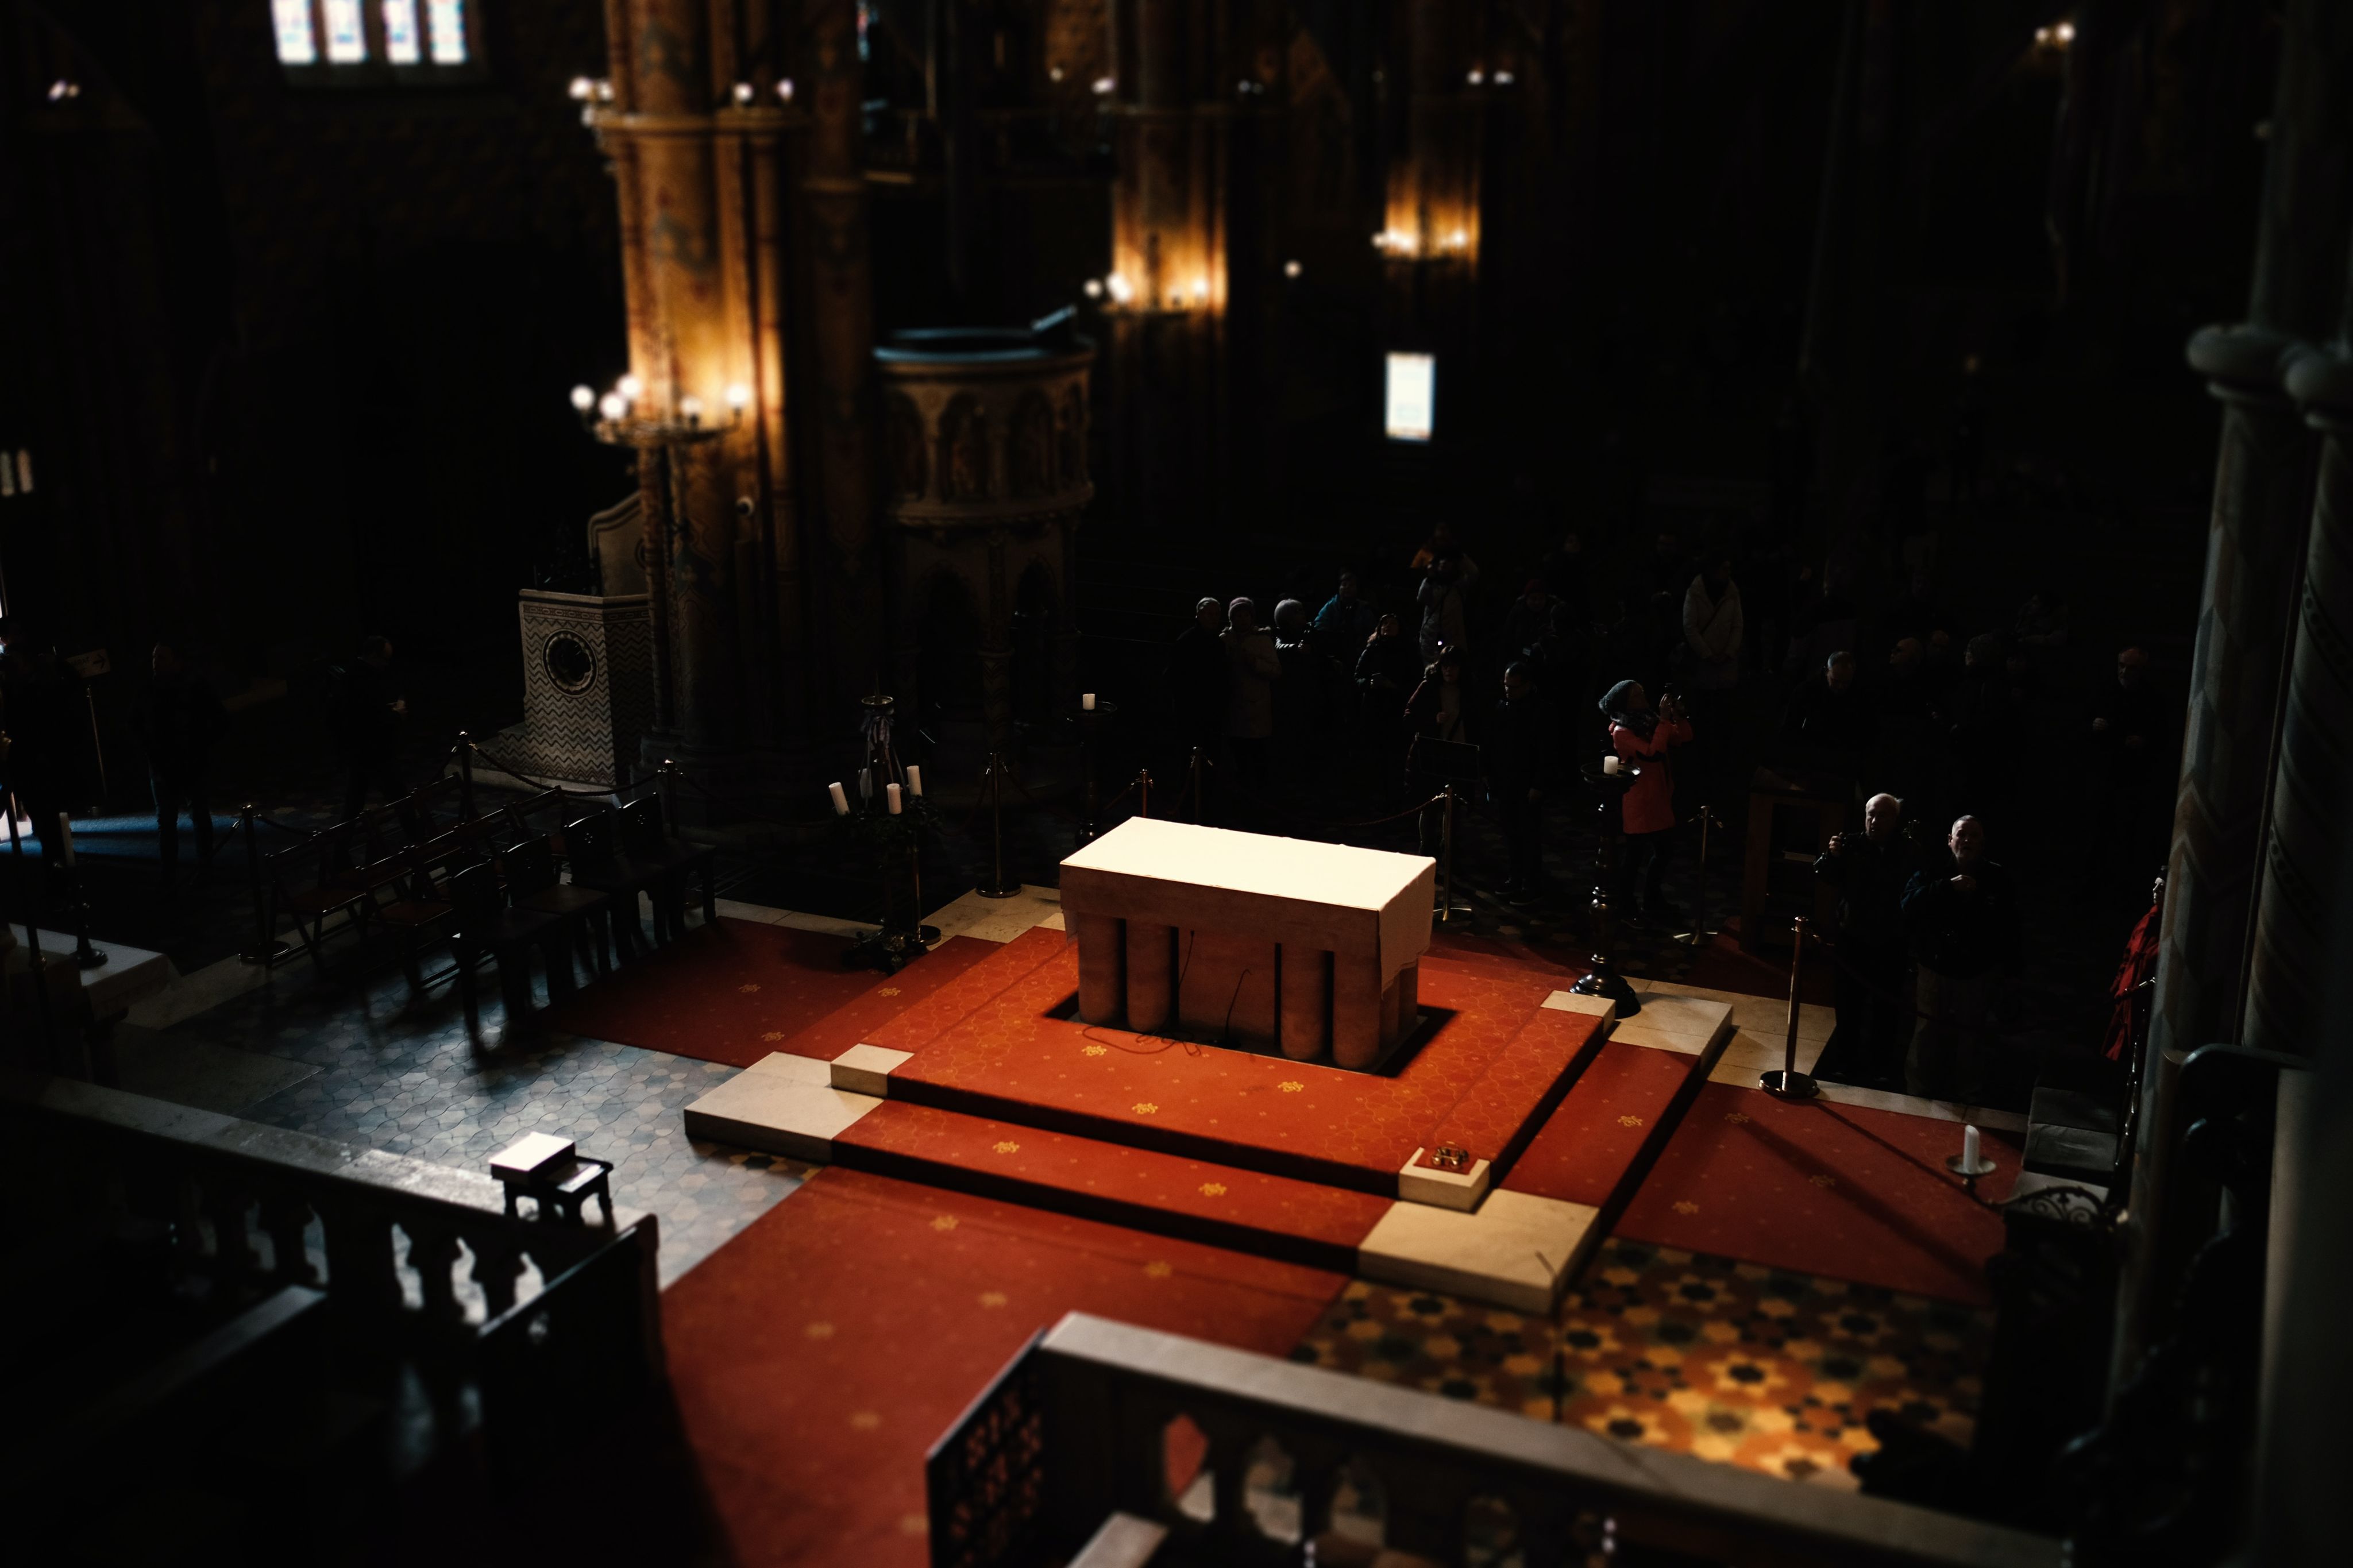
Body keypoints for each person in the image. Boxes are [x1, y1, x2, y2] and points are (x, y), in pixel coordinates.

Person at [1901, 815, 2022, 1102]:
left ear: (1982, 843)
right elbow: (1908, 904)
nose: (1966, 840)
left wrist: (2010, 972)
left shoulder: (1997, 877)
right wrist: (1946, 887)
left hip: (1976, 972)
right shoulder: (1933, 871)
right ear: (1950, 840)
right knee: (1926, 1032)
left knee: (1972, 1036)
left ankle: (1969, 1092)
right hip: (1935, 966)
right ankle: (1918, 1091)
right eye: (1961, 834)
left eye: (1973, 836)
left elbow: (2011, 927)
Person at [1814, 793, 1918, 1088]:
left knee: (1887, 1009)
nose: (1874, 821)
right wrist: (1831, 856)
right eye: (1870, 815)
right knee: (1848, 1006)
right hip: (1853, 939)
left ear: (1895, 820)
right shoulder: (1851, 845)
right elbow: (1824, 874)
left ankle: (1881, 1067)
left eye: (1882, 816)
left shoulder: (1908, 850)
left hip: (1891, 941)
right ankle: (1845, 1064)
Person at [1601, 679, 1693, 924]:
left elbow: (1682, 738)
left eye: (1642, 692)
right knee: (1634, 856)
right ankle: (1627, 906)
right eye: (1636, 695)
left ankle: (1653, 899)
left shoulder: (1649, 721)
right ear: (1625, 703)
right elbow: (1653, 754)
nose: (1643, 697)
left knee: (1664, 851)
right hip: (1639, 800)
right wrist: (1664, 720)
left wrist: (1678, 716)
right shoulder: (1622, 732)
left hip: (1660, 796)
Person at [133, 642, 226, 886]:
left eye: (162, 657)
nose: (155, 662)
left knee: (195, 816)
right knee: (168, 822)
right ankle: (171, 873)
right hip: (163, 767)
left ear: (178, 661)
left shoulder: (195, 687)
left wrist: (198, 749)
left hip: (188, 765)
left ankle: (202, 868)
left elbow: (218, 721)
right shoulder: (149, 689)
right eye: (154, 657)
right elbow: (136, 724)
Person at [2086, 646, 2171, 901]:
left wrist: (2144, 743)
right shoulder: (2104, 690)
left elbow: (2162, 736)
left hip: (2132, 777)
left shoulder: (2151, 699)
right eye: (2122, 665)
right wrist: (2093, 726)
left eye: (2131, 667)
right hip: (2103, 772)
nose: (2124, 671)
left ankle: (2119, 889)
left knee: (2125, 833)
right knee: (2097, 831)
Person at [1488, 661, 1552, 904]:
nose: (1508, 691)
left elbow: (1546, 753)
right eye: (1506, 686)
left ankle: (1532, 883)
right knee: (1511, 834)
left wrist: (1539, 784)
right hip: (1506, 782)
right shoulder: (1502, 707)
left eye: (1513, 687)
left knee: (1529, 836)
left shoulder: (1541, 712)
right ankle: (1515, 877)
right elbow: (1493, 742)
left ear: (1528, 686)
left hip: (1527, 784)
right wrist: (1488, 773)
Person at [1404, 646, 1472, 855]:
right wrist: (1433, 720)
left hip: (1459, 754)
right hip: (1432, 753)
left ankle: (1449, 850)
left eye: (1453, 667)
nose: (1448, 671)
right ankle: (1427, 849)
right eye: (1445, 666)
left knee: (1453, 808)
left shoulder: (1470, 690)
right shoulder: (1430, 686)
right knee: (1429, 805)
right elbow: (1409, 716)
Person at [332, 635, 408, 822]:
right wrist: (395, 715)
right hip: (373, 750)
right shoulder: (359, 679)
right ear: (374, 655)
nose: (387, 664)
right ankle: (418, 841)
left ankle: (341, 849)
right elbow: (367, 717)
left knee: (354, 803)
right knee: (399, 796)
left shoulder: (357, 674)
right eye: (385, 659)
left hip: (361, 751)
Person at [1780, 651, 1877, 779]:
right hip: (1811, 756)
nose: (1841, 687)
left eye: (1846, 683)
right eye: (1836, 681)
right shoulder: (1806, 692)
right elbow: (1790, 728)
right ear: (1827, 671)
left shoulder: (1861, 696)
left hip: (1843, 759)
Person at [1221, 598, 1280, 801]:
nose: (1243, 619)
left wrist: (1255, 663)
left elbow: (1276, 671)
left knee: (1259, 757)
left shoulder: (1261, 639)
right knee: (1238, 757)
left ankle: (1262, 800)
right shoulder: (1225, 640)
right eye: (1238, 615)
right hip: (1233, 707)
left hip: (1257, 709)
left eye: (1246, 615)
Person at [1167, 597, 1229, 762]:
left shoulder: (1218, 643)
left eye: (1217, 614)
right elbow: (1175, 677)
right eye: (1210, 614)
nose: (1214, 618)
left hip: (1211, 712)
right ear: (1199, 615)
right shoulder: (1187, 641)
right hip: (1191, 713)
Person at [1416, 554, 1472, 665]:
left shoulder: (1459, 585)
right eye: (1442, 563)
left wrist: (1461, 556)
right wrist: (1430, 578)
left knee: (1454, 665)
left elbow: (1473, 573)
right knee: (1431, 668)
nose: (1445, 565)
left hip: (1454, 634)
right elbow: (1421, 599)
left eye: (1448, 563)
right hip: (1431, 634)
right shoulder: (1430, 584)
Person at [1312, 571, 1377, 658]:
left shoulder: (1364, 608)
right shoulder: (1331, 606)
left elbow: (1371, 630)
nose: (1347, 588)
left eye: (1351, 585)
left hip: (1357, 650)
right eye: (1344, 585)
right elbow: (1320, 625)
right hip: (1333, 649)